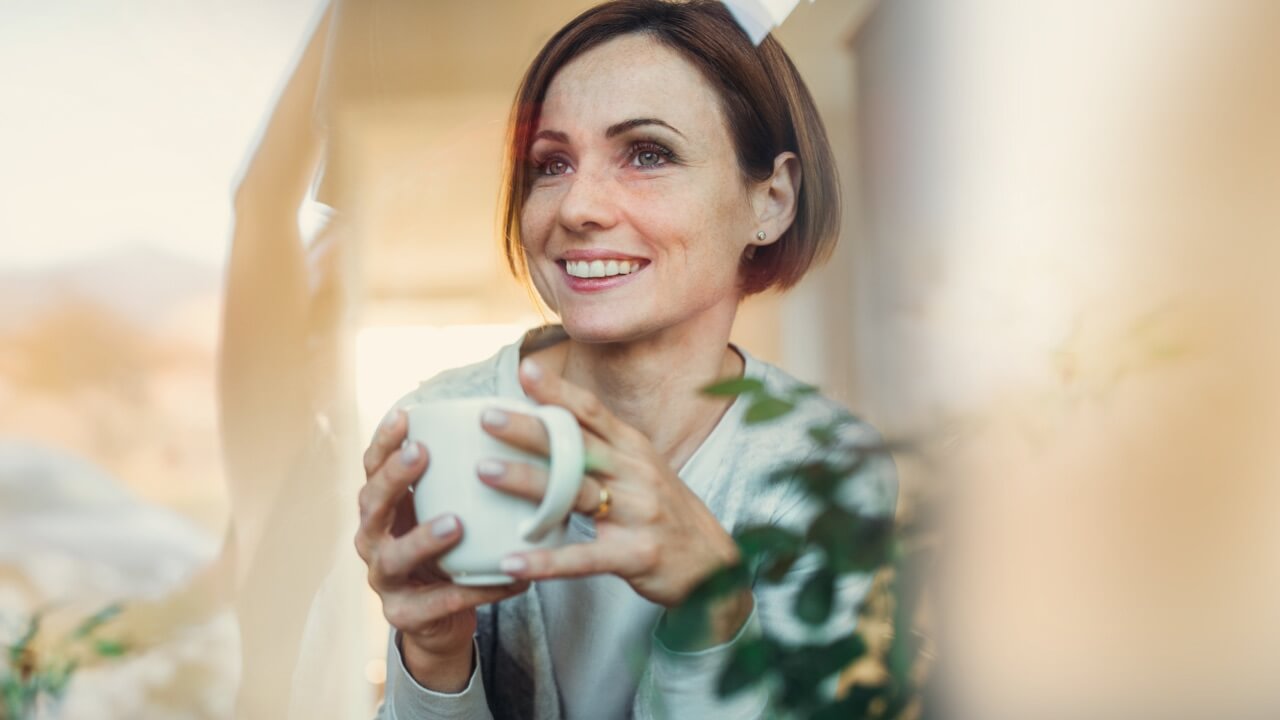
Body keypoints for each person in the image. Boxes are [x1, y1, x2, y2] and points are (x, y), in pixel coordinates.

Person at [356, 1, 897, 717]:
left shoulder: (828, 473)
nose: (577, 207)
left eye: (648, 154)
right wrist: (431, 656)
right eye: (551, 164)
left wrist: (716, 616)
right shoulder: (440, 425)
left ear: (770, 199)